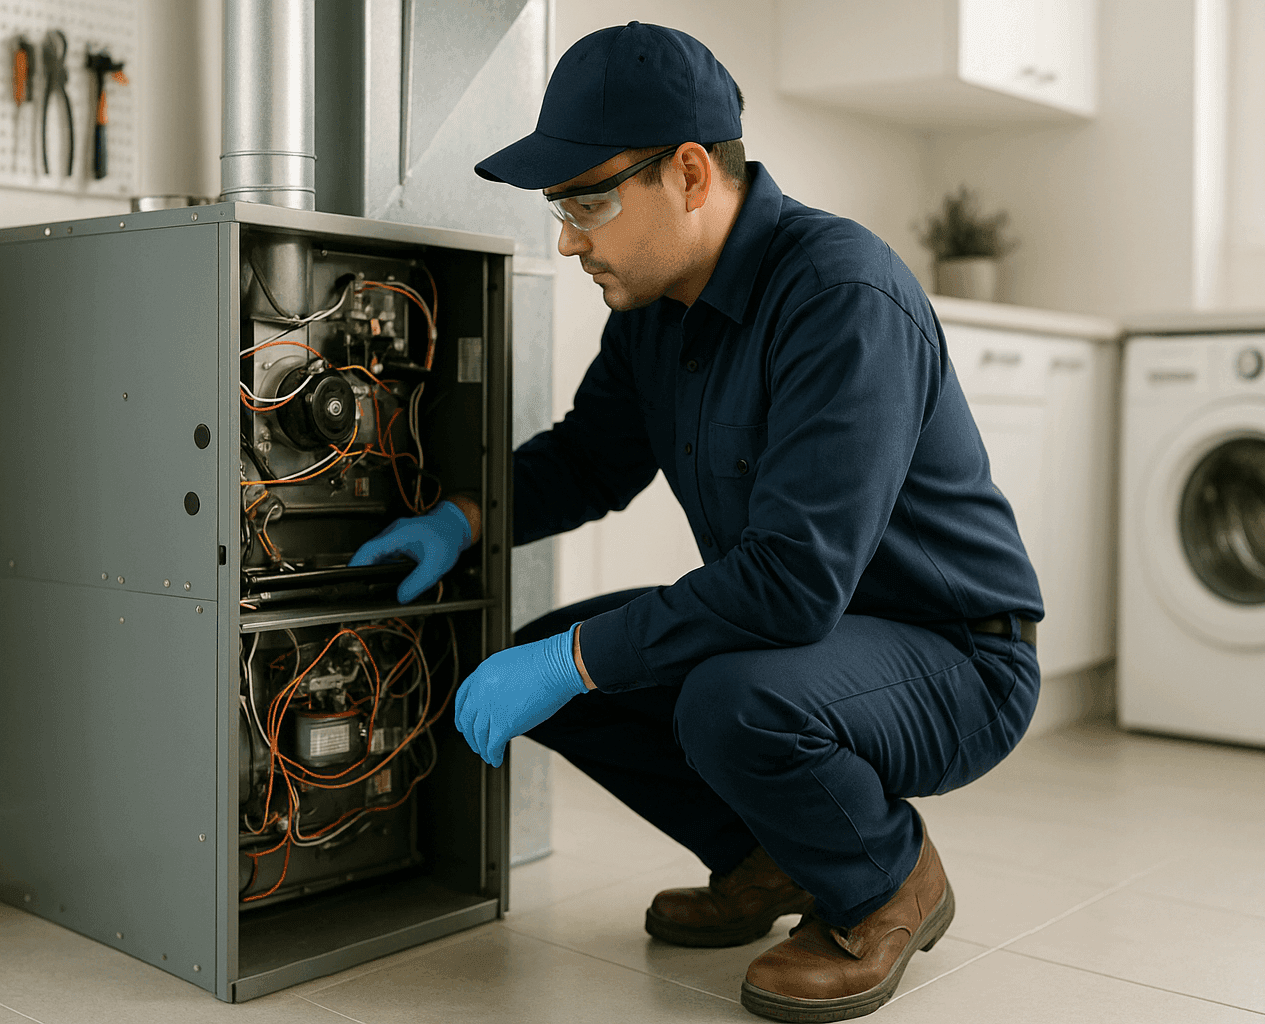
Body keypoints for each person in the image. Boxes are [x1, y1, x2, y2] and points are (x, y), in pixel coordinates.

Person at [348, 21, 1042, 1024]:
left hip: (957, 656)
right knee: (563, 665)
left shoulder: (840, 295)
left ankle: (888, 882)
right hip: (810, 636)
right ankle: (773, 860)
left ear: (686, 173)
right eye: (561, 207)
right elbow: (590, 459)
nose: (568, 238)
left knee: (723, 695)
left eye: (588, 201)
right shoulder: (655, 310)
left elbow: (795, 583)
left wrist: (583, 657)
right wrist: (461, 518)